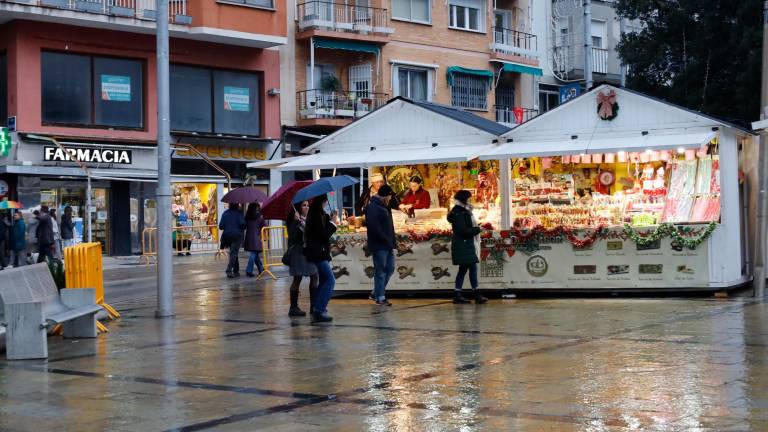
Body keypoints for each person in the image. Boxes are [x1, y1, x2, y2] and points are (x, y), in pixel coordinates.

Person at [447, 190, 488, 304]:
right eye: (469, 198)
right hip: (463, 243)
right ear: (463, 199)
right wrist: (478, 229)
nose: (471, 200)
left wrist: (477, 227)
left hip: (465, 244)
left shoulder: (464, 211)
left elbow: (465, 228)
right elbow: (463, 230)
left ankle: (458, 294)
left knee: (464, 269)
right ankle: (476, 294)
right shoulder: (459, 212)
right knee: (471, 268)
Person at [303, 195, 338, 322]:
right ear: (324, 201)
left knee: (324, 280)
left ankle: (317, 307)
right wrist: (333, 223)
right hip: (318, 252)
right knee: (330, 280)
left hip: (319, 251)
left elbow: (322, 231)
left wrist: (330, 218)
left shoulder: (318, 213)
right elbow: (323, 235)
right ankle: (319, 309)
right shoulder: (315, 214)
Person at [285, 200, 318, 317]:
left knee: (314, 276)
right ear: (299, 207)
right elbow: (292, 236)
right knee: (297, 279)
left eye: (308, 205)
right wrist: (295, 221)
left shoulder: (308, 219)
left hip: (309, 252)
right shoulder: (293, 220)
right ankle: (293, 308)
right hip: (298, 252)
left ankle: (314, 306)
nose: (307, 207)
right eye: (304, 205)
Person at [366, 185, 396, 306]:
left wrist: (393, 241)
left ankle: (376, 292)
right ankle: (380, 297)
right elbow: (374, 228)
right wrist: (386, 240)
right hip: (379, 245)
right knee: (381, 270)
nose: (390, 198)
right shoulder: (373, 206)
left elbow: (388, 225)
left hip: (387, 244)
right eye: (389, 196)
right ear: (384, 196)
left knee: (390, 268)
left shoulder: (384, 205)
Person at [218, 203, 246, 278]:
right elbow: (243, 224)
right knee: (233, 253)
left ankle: (236, 270)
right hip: (236, 236)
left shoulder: (225, 213)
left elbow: (221, 226)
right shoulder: (239, 213)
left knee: (234, 252)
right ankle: (229, 270)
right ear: (237, 205)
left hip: (227, 236)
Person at [244, 202, 266, 277]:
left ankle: (261, 269)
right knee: (253, 254)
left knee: (255, 254)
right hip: (257, 238)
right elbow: (264, 226)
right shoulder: (260, 217)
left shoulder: (247, 216)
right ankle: (249, 270)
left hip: (249, 237)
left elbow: (244, 225)